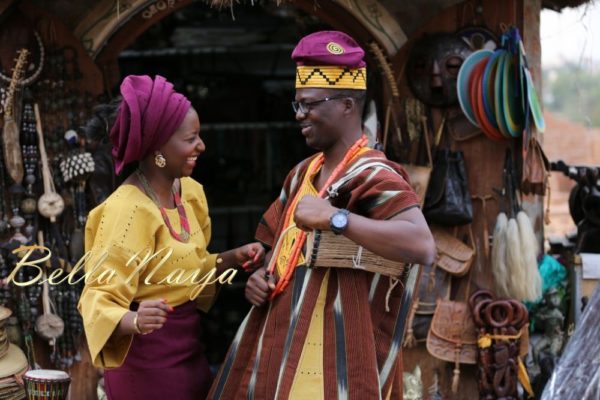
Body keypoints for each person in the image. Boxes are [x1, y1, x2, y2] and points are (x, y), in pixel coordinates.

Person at [209, 31, 436, 399]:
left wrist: (336, 219)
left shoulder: (374, 174)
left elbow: (422, 244)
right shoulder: (302, 174)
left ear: (347, 104)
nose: (300, 115)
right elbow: (276, 248)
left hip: (337, 361)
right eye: (296, 105)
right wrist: (261, 278)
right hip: (280, 352)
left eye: (311, 104)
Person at [78, 75, 265, 400]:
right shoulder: (127, 211)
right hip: (144, 363)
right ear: (158, 148)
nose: (201, 146)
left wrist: (230, 259)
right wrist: (134, 319)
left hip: (188, 352)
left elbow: (183, 276)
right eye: (191, 138)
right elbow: (96, 297)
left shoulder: (189, 194)